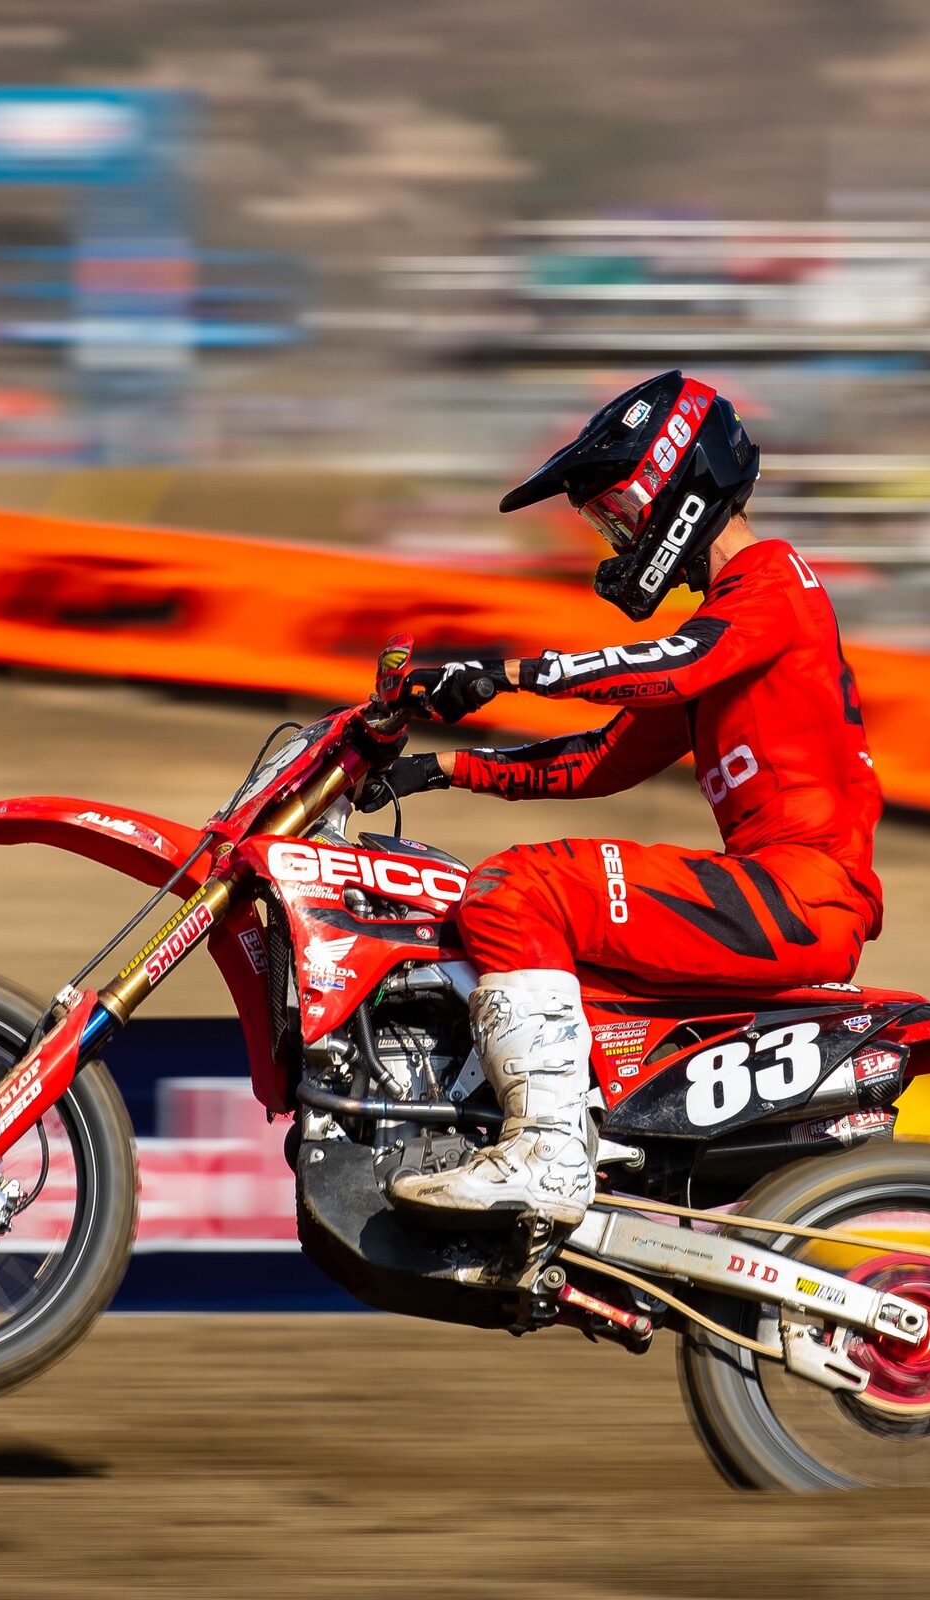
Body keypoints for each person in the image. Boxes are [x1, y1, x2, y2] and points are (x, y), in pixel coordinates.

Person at [359, 371, 884, 1227]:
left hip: (798, 891)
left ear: (679, 485)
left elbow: (666, 666)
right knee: (499, 901)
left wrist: (503, 671)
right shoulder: (733, 625)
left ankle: (549, 1153)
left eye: (617, 512)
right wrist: (444, 770)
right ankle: (564, 1130)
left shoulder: (771, 584)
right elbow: (598, 762)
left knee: (513, 891)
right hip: (779, 891)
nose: (614, 536)